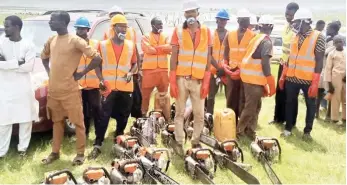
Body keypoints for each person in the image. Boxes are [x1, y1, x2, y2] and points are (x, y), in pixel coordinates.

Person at [41, 11, 102, 165]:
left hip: (70, 91)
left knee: (79, 123)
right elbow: (44, 56)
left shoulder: (75, 41)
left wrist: (81, 73)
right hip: (54, 91)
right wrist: (49, 73)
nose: (50, 23)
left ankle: (80, 154)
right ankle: (55, 152)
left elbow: (97, 58)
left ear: (63, 22)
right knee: (57, 122)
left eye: (52, 20)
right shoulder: (52, 39)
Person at [88, 14, 138, 159]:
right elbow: (97, 64)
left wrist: (131, 72)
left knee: (124, 115)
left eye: (125, 27)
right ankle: (98, 143)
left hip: (125, 86)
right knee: (103, 115)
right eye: (121, 26)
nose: (124, 29)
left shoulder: (130, 45)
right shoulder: (102, 45)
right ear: (113, 28)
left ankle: (119, 135)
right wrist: (101, 79)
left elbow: (135, 64)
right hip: (108, 87)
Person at [170, 0, 212, 155]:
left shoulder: (207, 31)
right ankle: (179, 141)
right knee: (179, 113)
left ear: (198, 13)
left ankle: (195, 142)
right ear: (184, 15)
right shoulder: (178, 31)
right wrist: (172, 79)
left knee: (199, 114)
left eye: (192, 12)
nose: (190, 15)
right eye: (187, 13)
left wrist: (207, 79)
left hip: (199, 81)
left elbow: (208, 56)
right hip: (181, 79)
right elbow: (174, 56)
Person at [279, 8, 326, 141]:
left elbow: (319, 61)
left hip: (308, 79)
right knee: (290, 103)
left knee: (310, 105)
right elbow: (290, 56)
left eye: (297, 22)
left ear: (305, 22)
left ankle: (307, 132)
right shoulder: (295, 35)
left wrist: (316, 81)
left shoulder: (318, 37)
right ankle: (288, 128)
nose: (294, 25)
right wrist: (284, 75)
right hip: (292, 77)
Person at [0, 15, 38, 158]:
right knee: (3, 121)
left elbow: (29, 67)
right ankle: (1, 152)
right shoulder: (1, 42)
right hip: (4, 87)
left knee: (25, 120)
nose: (5, 28)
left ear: (16, 27)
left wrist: (6, 64)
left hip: (23, 87)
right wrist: (17, 63)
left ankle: (22, 149)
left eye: (7, 25)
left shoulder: (28, 45)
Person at [237, 15, 276, 139]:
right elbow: (265, 64)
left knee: (255, 106)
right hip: (254, 80)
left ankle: (250, 131)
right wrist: (270, 82)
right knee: (251, 107)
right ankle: (239, 132)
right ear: (272, 27)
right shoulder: (266, 41)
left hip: (248, 78)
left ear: (260, 26)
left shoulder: (256, 38)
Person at [104, 5, 142, 119]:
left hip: (129, 69)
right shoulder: (107, 32)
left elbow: (135, 50)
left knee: (135, 98)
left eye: (118, 14)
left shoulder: (131, 31)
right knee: (115, 99)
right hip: (113, 73)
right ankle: (118, 119)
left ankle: (136, 120)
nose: (115, 17)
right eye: (113, 15)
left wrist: (137, 70)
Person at [223, 8, 255, 123]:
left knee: (243, 98)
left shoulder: (252, 36)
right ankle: (231, 122)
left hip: (245, 71)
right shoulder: (230, 34)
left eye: (247, 20)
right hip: (231, 71)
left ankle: (242, 125)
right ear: (238, 20)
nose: (246, 23)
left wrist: (241, 69)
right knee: (231, 97)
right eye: (243, 20)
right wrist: (225, 64)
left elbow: (252, 55)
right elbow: (226, 51)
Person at [269, 2, 299, 125]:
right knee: (280, 91)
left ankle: (290, 122)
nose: (288, 17)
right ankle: (278, 118)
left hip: (293, 65)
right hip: (283, 63)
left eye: (290, 15)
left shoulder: (298, 29)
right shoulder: (286, 26)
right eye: (286, 14)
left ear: (296, 15)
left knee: (290, 94)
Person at [74, 17, 102, 139]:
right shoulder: (73, 45)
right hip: (78, 84)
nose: (79, 31)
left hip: (93, 83)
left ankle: (98, 134)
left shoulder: (96, 44)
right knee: (82, 111)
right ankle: (84, 134)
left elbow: (101, 62)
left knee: (96, 109)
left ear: (88, 30)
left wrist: (101, 79)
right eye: (78, 28)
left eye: (82, 29)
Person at [140, 17, 171, 119]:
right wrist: (163, 48)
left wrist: (156, 48)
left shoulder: (166, 36)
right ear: (152, 25)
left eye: (161, 24)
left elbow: (170, 47)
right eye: (158, 24)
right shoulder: (146, 36)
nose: (160, 26)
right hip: (149, 71)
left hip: (163, 71)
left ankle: (163, 117)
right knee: (145, 96)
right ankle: (144, 115)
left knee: (163, 95)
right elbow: (148, 50)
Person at [206, 9, 229, 115]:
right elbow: (208, 54)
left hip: (226, 71)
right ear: (217, 20)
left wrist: (224, 68)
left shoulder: (230, 35)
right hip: (213, 71)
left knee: (229, 96)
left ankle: (229, 117)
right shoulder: (210, 35)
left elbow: (231, 54)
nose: (222, 22)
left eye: (224, 20)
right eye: (221, 20)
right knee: (210, 96)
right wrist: (218, 68)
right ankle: (209, 117)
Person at [316, 21, 340, 119]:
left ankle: (328, 115)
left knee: (331, 92)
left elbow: (327, 54)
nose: (326, 29)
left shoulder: (337, 41)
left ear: (334, 30)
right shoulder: (327, 39)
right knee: (319, 91)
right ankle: (316, 113)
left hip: (331, 70)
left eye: (328, 28)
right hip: (323, 68)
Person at [324, 35, 346, 125]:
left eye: (340, 41)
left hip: (345, 77)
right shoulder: (331, 53)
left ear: (343, 42)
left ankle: (345, 118)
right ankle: (335, 119)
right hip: (335, 76)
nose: (339, 43)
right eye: (336, 42)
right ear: (334, 44)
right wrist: (329, 84)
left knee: (345, 98)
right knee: (335, 98)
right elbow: (328, 69)